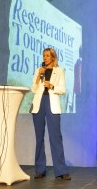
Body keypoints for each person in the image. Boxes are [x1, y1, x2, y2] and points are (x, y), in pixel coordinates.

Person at [30, 48, 71, 180]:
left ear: (53, 57)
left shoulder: (59, 71)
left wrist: (52, 86)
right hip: (39, 103)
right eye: (44, 56)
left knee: (55, 137)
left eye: (48, 56)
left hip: (52, 103)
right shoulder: (38, 70)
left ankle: (61, 170)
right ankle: (40, 169)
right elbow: (33, 89)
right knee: (39, 138)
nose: (45, 58)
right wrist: (38, 77)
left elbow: (63, 89)